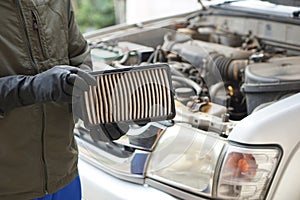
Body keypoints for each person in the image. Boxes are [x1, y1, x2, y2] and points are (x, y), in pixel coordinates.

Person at [0, 1, 96, 199]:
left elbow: (78, 55)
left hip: (65, 175)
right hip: (9, 187)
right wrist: (32, 88)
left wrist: (95, 107)